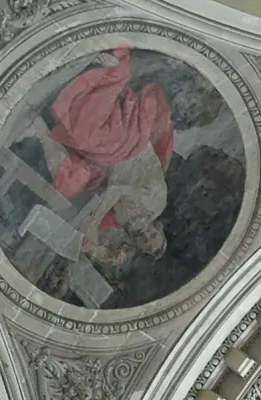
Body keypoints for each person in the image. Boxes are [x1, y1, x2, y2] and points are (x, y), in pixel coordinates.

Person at [38, 48, 174, 272]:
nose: (145, 234)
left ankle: (40, 129)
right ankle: (111, 72)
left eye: (145, 241)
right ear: (157, 227)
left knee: (68, 183)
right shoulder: (155, 203)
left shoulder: (122, 224)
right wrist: (91, 228)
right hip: (131, 146)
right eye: (153, 234)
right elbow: (115, 192)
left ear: (136, 245)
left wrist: (97, 251)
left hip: (108, 162)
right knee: (90, 135)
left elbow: (92, 221)